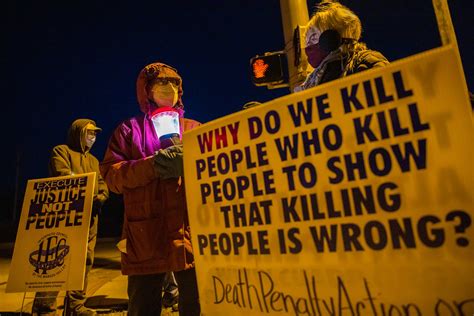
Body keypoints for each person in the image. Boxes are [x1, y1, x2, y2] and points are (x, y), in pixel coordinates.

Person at [100, 62, 201, 316]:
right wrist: (153, 165)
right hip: (144, 236)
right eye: (160, 83)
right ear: (146, 91)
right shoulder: (128, 131)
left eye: (174, 83)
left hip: (190, 233)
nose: (169, 88)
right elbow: (112, 177)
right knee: (143, 305)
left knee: (197, 305)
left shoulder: (194, 128)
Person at [32, 119, 109, 316]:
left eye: (95, 134)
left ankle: (76, 305)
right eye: (89, 133)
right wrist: (88, 192)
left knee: (84, 260)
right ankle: (44, 308)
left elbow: (102, 184)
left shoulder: (93, 160)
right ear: (78, 133)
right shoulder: (61, 151)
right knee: (55, 260)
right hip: (64, 215)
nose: (93, 137)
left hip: (89, 218)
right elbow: (63, 175)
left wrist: (101, 196)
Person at [296, 0, 389, 91]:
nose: (308, 47)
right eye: (307, 42)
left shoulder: (366, 61)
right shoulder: (310, 82)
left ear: (332, 37)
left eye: (313, 38)